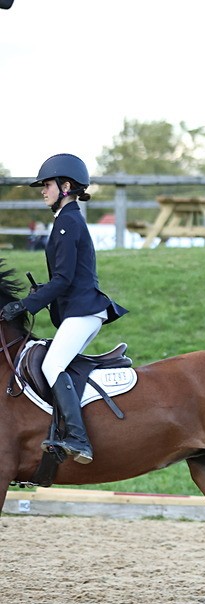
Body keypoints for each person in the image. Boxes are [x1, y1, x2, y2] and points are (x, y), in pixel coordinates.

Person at [0, 153, 128, 464]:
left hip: (84, 311)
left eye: (47, 185)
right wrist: (40, 293)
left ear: (66, 187)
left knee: (52, 365)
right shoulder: (66, 221)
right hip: (82, 310)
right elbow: (65, 278)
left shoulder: (67, 222)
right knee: (58, 365)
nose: (43, 191)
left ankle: (78, 439)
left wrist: (25, 305)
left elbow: (64, 279)